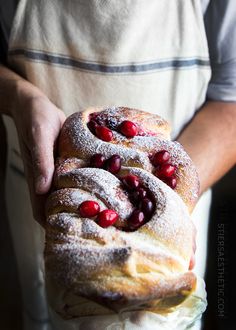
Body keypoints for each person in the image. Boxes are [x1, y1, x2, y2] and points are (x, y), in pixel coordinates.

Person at [0, 0, 236, 329]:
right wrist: (20, 97)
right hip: (48, 196)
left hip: (168, 221)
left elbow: (232, 101)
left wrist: (166, 202)